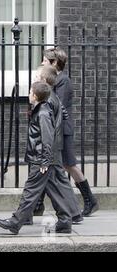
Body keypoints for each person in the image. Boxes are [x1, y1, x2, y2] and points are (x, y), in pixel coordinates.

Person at [0, 82, 73, 235]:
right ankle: (65, 221)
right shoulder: (39, 110)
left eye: (30, 92)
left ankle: (15, 222)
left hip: (40, 160)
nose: (29, 94)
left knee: (30, 190)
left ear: (35, 96)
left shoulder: (42, 113)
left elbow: (47, 138)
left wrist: (45, 160)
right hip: (42, 158)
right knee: (54, 189)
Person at [39, 48, 98, 217]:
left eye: (45, 60)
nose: (42, 63)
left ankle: (90, 200)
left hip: (62, 130)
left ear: (54, 63)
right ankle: (38, 203)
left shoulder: (63, 81)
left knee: (68, 164)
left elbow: (58, 104)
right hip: (57, 129)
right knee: (59, 165)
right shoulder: (56, 80)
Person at [27, 66, 83, 224]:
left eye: (37, 76)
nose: (35, 78)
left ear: (44, 80)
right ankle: (73, 213)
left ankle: (71, 214)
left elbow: (48, 124)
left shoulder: (48, 99)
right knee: (55, 180)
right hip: (53, 145)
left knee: (47, 180)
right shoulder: (53, 96)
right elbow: (64, 113)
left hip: (49, 146)